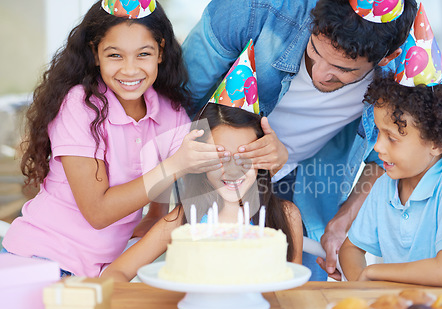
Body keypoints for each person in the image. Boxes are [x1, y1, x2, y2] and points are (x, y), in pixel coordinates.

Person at [181, 0, 418, 280]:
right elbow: (177, 103)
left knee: (296, 286)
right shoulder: (251, 9)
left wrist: (343, 222)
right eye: (315, 50)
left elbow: (388, 158)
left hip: (310, 179)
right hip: (213, 162)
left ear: (387, 58)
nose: (319, 73)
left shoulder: (411, 70)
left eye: (342, 69)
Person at [0, 0, 227, 277]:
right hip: (39, 261)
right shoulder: (80, 105)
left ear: (161, 52)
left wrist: (272, 153)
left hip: (100, 276)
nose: (129, 70)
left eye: (143, 54)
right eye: (115, 55)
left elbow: (160, 211)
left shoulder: (171, 113)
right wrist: (176, 166)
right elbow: (98, 212)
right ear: (95, 54)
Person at [338, 3, 442, 284]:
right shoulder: (386, 184)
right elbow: (350, 249)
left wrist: (373, 272)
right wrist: (362, 289)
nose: (378, 147)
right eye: (378, 133)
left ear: (435, 142)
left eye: (393, 138)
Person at [101, 103, 304, 282]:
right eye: (220, 158)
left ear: (262, 159)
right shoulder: (186, 219)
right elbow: (116, 272)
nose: (233, 170)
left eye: (244, 157)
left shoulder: (286, 215)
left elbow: (291, 289)